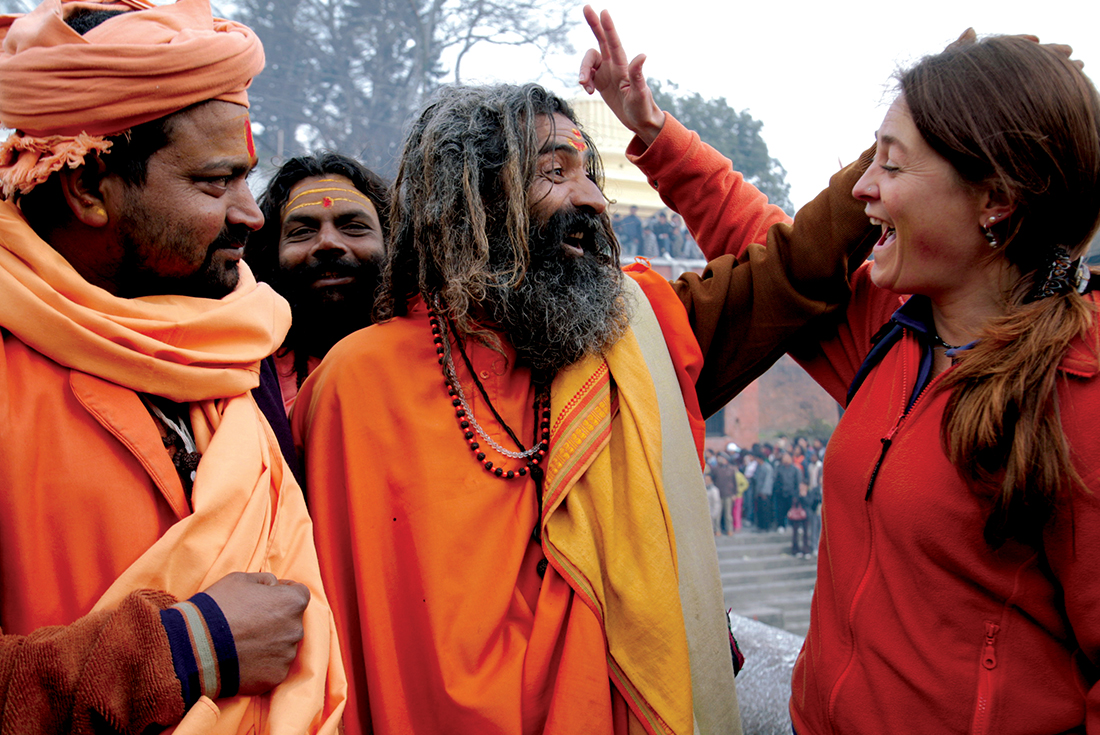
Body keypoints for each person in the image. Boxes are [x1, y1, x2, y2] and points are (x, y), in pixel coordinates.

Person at [295, 32, 877, 731]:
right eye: (556, 171)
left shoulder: (632, 338)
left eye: (591, 175)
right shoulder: (357, 386)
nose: (594, 201)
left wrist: (899, 152)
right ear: (471, 197)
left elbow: (791, 267)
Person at [594, 16, 1100, 733]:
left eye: (891, 165)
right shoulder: (892, 331)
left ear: (996, 198)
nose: (862, 190)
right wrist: (656, 134)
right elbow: (778, 257)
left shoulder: (1080, 387)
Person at [0, 0, 344, 731]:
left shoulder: (227, 345)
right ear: (88, 188)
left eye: (247, 179)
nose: (252, 214)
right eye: (216, 182)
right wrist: (189, 648)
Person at [246, 152, 389, 412]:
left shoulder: (438, 356)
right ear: (271, 253)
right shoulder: (244, 374)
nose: (328, 243)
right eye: (302, 232)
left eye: (354, 226)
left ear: (392, 242)